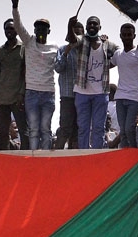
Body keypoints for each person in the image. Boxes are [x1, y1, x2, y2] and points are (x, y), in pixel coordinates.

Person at [67, 15, 120, 149]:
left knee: (98, 127)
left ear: (99, 27)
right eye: (89, 24)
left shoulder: (108, 44)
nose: (92, 26)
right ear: (86, 27)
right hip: (82, 91)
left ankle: (96, 154)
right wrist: (70, 26)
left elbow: (121, 53)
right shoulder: (82, 41)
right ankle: (84, 154)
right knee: (83, 127)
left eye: (94, 24)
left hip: (101, 93)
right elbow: (72, 39)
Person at [12, 0, 58, 150]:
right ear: (34, 30)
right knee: (33, 129)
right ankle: (33, 157)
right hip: (31, 92)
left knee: (45, 128)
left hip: (48, 93)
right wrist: (15, 7)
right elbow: (18, 26)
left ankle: (45, 158)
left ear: (48, 31)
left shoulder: (55, 48)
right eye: (38, 28)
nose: (40, 30)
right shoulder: (29, 42)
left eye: (44, 28)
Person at [111, 23, 138, 149]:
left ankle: (134, 153)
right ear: (120, 36)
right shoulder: (118, 54)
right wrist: (104, 42)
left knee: (130, 128)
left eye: (130, 35)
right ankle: (125, 156)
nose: (127, 37)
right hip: (120, 96)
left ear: (134, 36)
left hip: (135, 97)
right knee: (123, 131)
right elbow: (106, 64)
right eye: (125, 35)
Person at [0, 16, 27, 151]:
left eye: (12, 28)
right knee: (4, 132)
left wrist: (22, 93)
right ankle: (5, 159)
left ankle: (25, 158)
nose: (9, 31)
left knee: (23, 130)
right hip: (2, 97)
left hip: (17, 97)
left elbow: (25, 73)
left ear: (17, 30)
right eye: (6, 29)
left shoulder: (24, 48)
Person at [54, 19, 84, 149]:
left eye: (79, 34)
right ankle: (57, 154)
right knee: (65, 127)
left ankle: (74, 155)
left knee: (79, 128)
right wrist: (66, 53)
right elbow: (58, 68)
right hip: (67, 96)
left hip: (83, 95)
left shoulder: (86, 51)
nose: (76, 36)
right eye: (74, 33)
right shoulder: (61, 49)